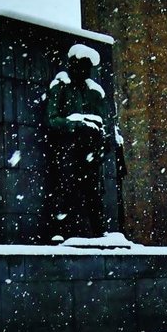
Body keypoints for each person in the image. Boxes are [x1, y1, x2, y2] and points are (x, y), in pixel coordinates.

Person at [47, 45, 112, 239]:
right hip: (69, 148)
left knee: (94, 196)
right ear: (72, 65)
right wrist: (76, 123)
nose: (84, 71)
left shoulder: (95, 92)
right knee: (66, 191)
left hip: (91, 150)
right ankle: (61, 234)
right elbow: (51, 119)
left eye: (87, 67)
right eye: (81, 66)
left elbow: (106, 122)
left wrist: (101, 138)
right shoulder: (60, 86)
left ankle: (101, 235)